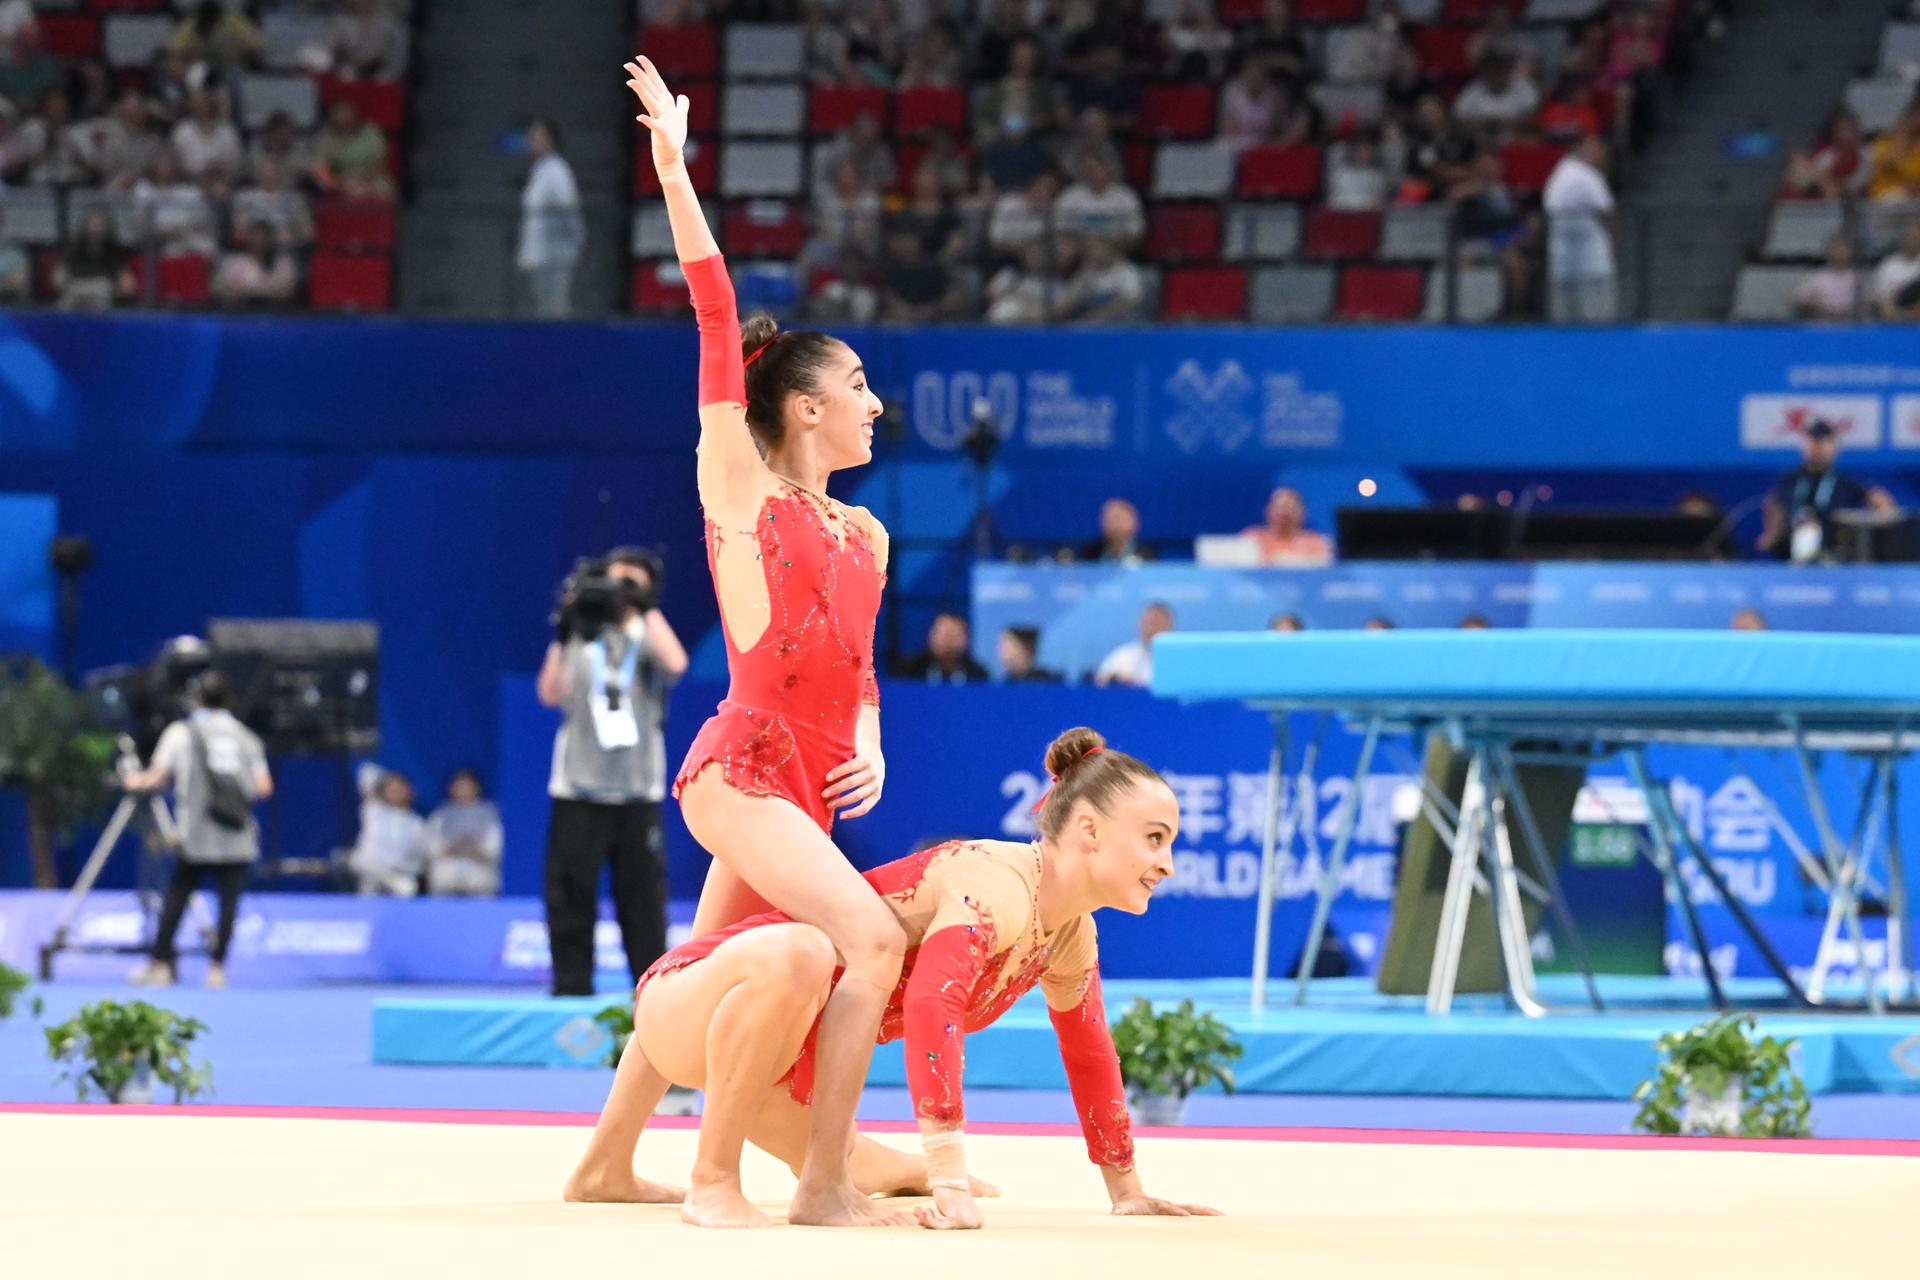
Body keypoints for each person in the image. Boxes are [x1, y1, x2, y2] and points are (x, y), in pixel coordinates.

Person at [563, 727, 1219, 1231]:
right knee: (804, 953)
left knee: (879, 1169)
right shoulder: (995, 884)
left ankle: (601, 1169)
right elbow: (935, 1005)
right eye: (1156, 838)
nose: (1167, 862)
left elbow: (1089, 1053)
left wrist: (1126, 1190)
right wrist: (948, 1177)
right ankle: (712, 1178)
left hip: (775, 1063)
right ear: (1089, 829)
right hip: (714, 1011)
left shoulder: (1069, 931)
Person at [628, 55, 906, 1228]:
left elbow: (861, 664)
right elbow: (707, 308)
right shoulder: (742, 484)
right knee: (869, 936)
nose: (874, 403)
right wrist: (675, 172)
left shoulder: (871, 531)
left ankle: (601, 1158)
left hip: (813, 784)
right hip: (741, 770)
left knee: (701, 968)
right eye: (856, 385)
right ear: (803, 405)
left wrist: (876, 740)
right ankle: (790, 1180)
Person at [538, 548, 688, 995]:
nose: (621, 591)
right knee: (569, 894)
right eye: (615, 581)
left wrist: (643, 606)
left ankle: (650, 995)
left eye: (633, 583)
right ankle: (571, 987)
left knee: (642, 900)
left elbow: (676, 663)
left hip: (636, 791)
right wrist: (564, 631)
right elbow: (549, 693)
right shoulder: (583, 631)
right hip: (577, 787)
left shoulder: (647, 631)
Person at [124, 673, 272, 990]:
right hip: (236, 833)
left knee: (177, 896)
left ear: (195, 700)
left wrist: (132, 780)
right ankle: (217, 969)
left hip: (196, 835)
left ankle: (160, 965)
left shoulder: (181, 732)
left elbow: (156, 778)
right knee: (229, 903)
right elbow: (263, 787)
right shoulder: (246, 737)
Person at [1756, 419, 1896, 560]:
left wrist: (1884, 511)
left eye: (1823, 443)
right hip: (1791, 546)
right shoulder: (1790, 479)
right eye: (1813, 442)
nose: (1817, 448)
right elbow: (1774, 502)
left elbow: (1878, 499)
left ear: (1835, 448)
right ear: (1804, 446)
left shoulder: (1844, 481)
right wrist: (1771, 533)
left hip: (1834, 548)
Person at [1542, 134, 1615, 323]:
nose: (1600, 152)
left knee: (1577, 310)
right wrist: (1613, 238)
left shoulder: (1565, 171)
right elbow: (1607, 210)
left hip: (1575, 254)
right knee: (1589, 311)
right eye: (1594, 147)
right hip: (1578, 257)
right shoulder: (1582, 174)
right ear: (1581, 148)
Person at [518, 117, 584, 319]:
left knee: (555, 312)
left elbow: (568, 211)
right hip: (539, 256)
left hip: (554, 257)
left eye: (539, 137)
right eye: (532, 137)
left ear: (552, 140)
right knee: (543, 311)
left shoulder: (558, 170)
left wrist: (571, 245)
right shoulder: (539, 170)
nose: (533, 142)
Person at [346, 766, 428, 896]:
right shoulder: (372, 809)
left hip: (396, 870)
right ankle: (388, 881)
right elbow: (366, 770)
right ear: (383, 790)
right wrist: (388, 778)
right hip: (367, 866)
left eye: (400, 789)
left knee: (408, 886)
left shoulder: (416, 823)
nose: (396, 792)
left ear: (410, 791)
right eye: (392, 788)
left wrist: (405, 870)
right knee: (359, 861)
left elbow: (419, 858)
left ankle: (389, 880)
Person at [426, 768, 504, 897]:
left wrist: (472, 848)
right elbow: (431, 846)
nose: (463, 790)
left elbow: (495, 847)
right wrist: (454, 846)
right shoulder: (441, 813)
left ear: (477, 787)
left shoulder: (489, 812)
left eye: (468, 786)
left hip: (480, 880)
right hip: (446, 882)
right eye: (459, 786)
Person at [215, 220, 299, 306]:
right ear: (248, 238)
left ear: (272, 239)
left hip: (276, 313)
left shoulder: (284, 262)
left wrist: (247, 291)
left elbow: (289, 292)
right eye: (256, 236)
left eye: (265, 237)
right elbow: (227, 291)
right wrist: (269, 291)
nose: (260, 241)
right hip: (242, 313)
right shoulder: (235, 261)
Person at [1242, 486, 1334, 563]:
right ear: (1268, 511)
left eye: (1290, 507)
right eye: (1281, 507)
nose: (1285, 513)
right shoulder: (1253, 538)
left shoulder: (1318, 543)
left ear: (1303, 512)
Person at [895, 611, 991, 684]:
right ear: (930, 636)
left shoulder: (978, 675)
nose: (947, 642)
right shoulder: (910, 670)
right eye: (943, 635)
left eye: (953, 636)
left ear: (966, 640)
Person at [1095, 601, 1173, 688]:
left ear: (1169, 626)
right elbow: (1100, 682)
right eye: (1146, 622)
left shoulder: (1177, 658)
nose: (1151, 628)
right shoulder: (1123, 655)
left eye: (1156, 622)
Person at [1793, 234, 1861, 321]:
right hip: (1820, 325)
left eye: (1843, 250)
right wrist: (1819, 306)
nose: (1839, 254)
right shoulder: (1816, 277)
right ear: (1828, 252)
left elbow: (1865, 304)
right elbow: (1799, 301)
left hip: (1849, 326)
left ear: (1850, 252)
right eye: (1835, 250)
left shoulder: (1857, 278)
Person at [1080, 497, 1153, 564]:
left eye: (1119, 519)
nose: (1115, 525)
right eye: (1110, 520)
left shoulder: (1147, 555)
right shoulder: (1090, 553)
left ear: (1134, 523)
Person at [1872, 221, 1920, 322]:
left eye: (1916, 237)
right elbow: (1881, 300)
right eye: (1910, 236)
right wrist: (1899, 314)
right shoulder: (1888, 265)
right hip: (1894, 321)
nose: (1913, 240)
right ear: (1902, 238)